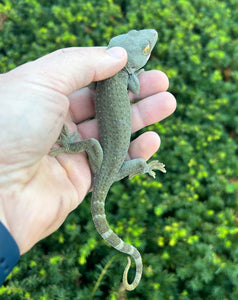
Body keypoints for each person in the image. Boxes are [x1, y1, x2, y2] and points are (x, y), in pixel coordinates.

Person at [0, 46, 176, 285]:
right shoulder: (123, 75)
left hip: (110, 166)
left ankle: (136, 171)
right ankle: (141, 170)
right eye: (145, 49)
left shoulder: (107, 76)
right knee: (123, 154)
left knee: (104, 148)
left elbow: (105, 85)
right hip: (114, 168)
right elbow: (135, 88)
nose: (150, 45)